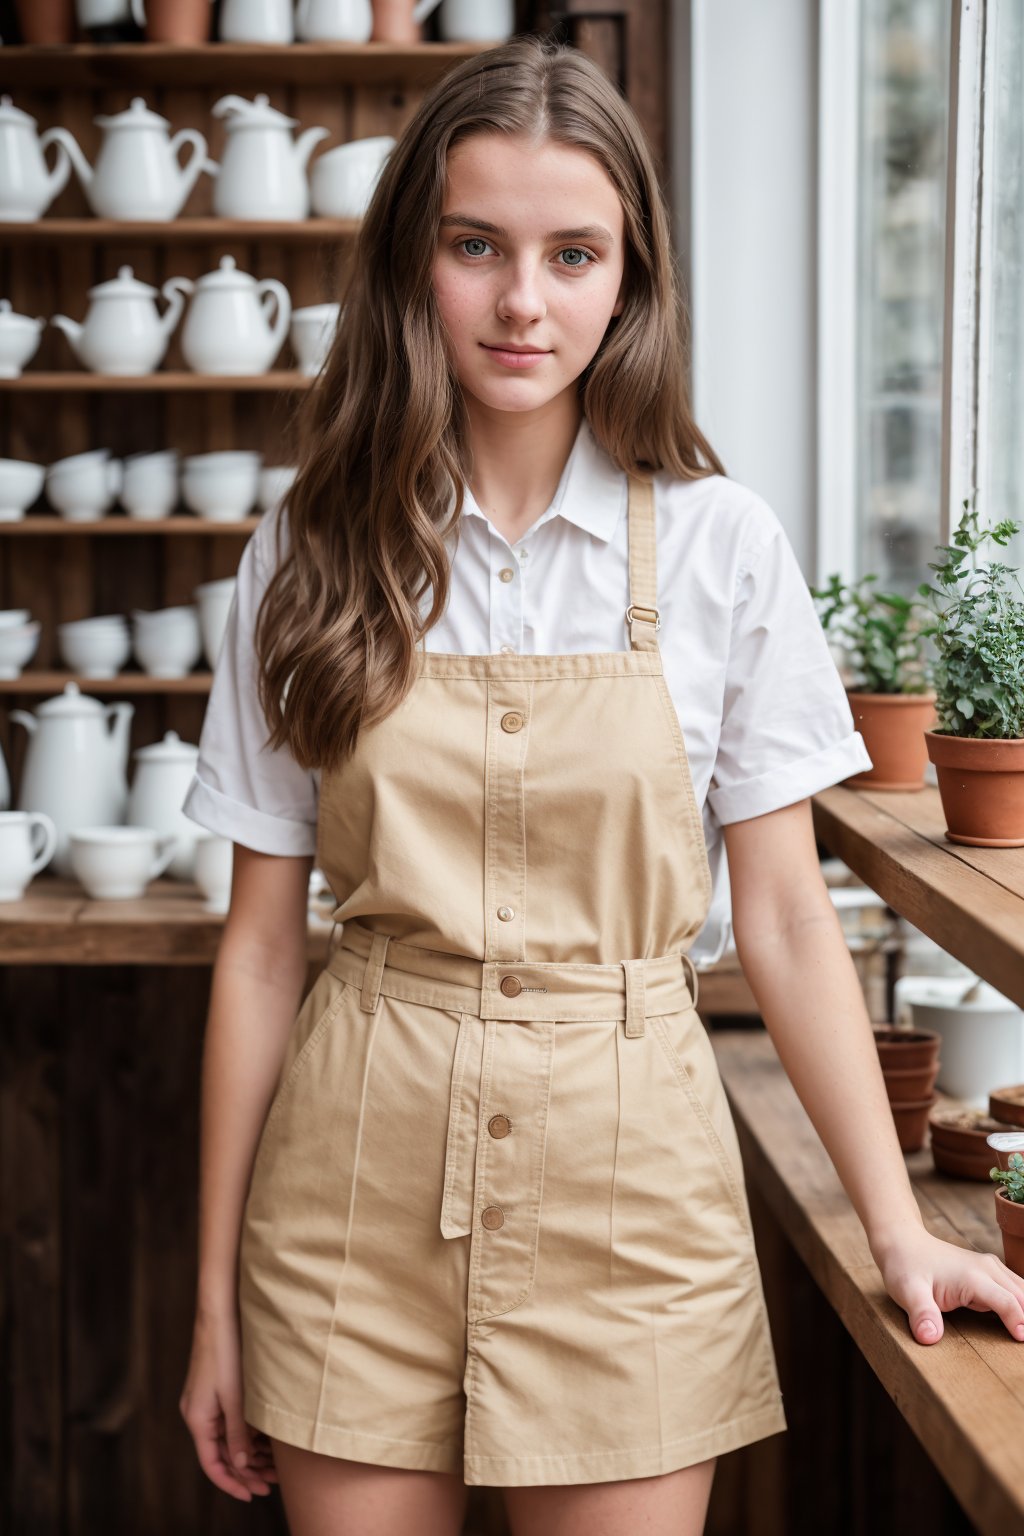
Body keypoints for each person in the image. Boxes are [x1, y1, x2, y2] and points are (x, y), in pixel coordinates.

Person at [177, 33, 1024, 1536]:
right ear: (409, 264)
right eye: (475, 247)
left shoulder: (721, 549)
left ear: (630, 277)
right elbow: (256, 952)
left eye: (575, 254)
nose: (523, 301)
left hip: (633, 1204)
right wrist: (212, 1309)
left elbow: (786, 922)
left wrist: (903, 1237)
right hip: (350, 1199)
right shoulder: (307, 553)